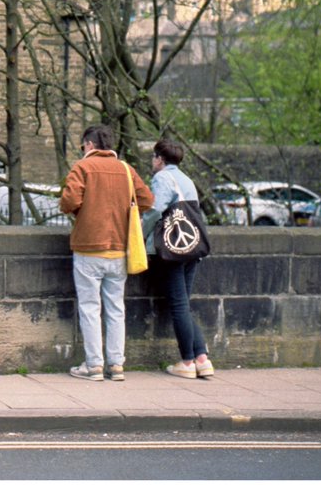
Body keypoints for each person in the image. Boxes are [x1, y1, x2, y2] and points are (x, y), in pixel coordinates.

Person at [59, 124, 153, 382]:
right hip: (119, 248)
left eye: (83, 146)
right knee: (115, 309)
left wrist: (85, 210)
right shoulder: (126, 169)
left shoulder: (82, 167)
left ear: (88, 144)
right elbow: (146, 200)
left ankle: (94, 365)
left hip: (89, 247)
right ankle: (117, 365)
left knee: (90, 308)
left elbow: (69, 202)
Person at [141, 139, 215, 379]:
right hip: (191, 247)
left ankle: (187, 361)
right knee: (184, 302)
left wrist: (139, 234)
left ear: (160, 159)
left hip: (173, 250)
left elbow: (155, 210)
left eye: (154, 157)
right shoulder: (186, 179)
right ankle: (202, 358)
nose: (152, 162)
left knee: (179, 304)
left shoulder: (163, 178)